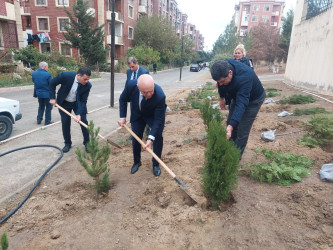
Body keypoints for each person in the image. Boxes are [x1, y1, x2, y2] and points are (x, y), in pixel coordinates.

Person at [210, 60, 266, 155]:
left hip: (253, 100)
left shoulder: (244, 76)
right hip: (238, 96)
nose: (221, 84)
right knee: (231, 123)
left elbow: (242, 103)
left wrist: (231, 125)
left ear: (230, 73)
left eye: (222, 81)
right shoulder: (223, 67)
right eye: (218, 82)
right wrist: (222, 98)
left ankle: (234, 158)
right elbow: (221, 85)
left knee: (242, 130)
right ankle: (230, 149)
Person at [118, 74, 166, 176]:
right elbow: (122, 99)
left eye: (151, 91)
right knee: (136, 137)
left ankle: (156, 164)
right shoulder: (131, 85)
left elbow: (158, 120)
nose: (149, 94)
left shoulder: (160, 96)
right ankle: (137, 161)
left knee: (157, 136)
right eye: (145, 92)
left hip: (153, 116)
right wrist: (122, 116)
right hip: (137, 115)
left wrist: (150, 138)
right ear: (138, 87)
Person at [49, 67, 92, 153]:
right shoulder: (65, 76)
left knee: (83, 122)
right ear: (78, 75)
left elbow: (83, 101)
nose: (87, 81)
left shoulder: (88, 85)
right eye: (85, 79)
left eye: (88, 79)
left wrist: (79, 113)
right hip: (64, 103)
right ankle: (67, 143)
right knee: (65, 123)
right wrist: (52, 98)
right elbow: (52, 83)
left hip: (77, 104)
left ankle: (87, 143)